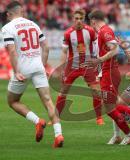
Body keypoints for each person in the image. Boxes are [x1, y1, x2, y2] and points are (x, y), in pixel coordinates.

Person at [2, 1, 64, 148]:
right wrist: (43, 66)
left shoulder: (7, 28)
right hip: (38, 66)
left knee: (13, 101)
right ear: (21, 11)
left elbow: (11, 51)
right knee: (48, 101)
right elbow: (46, 47)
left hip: (23, 69)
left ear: (8, 14)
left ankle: (37, 121)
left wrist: (16, 71)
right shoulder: (33, 24)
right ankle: (59, 135)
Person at [86, 10, 130, 145]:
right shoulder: (103, 32)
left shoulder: (105, 31)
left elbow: (114, 50)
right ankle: (118, 134)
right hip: (106, 73)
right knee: (111, 106)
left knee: (109, 107)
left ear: (93, 21)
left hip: (110, 73)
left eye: (90, 22)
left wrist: (100, 60)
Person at [54, 9, 104, 125]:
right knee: (63, 91)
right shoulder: (68, 33)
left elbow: (97, 46)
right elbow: (63, 52)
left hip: (88, 66)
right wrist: (61, 69)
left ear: (84, 19)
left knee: (96, 91)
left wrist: (97, 61)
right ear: (73, 19)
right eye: (76, 18)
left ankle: (99, 118)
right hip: (72, 67)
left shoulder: (90, 31)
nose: (79, 21)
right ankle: (56, 117)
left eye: (81, 19)